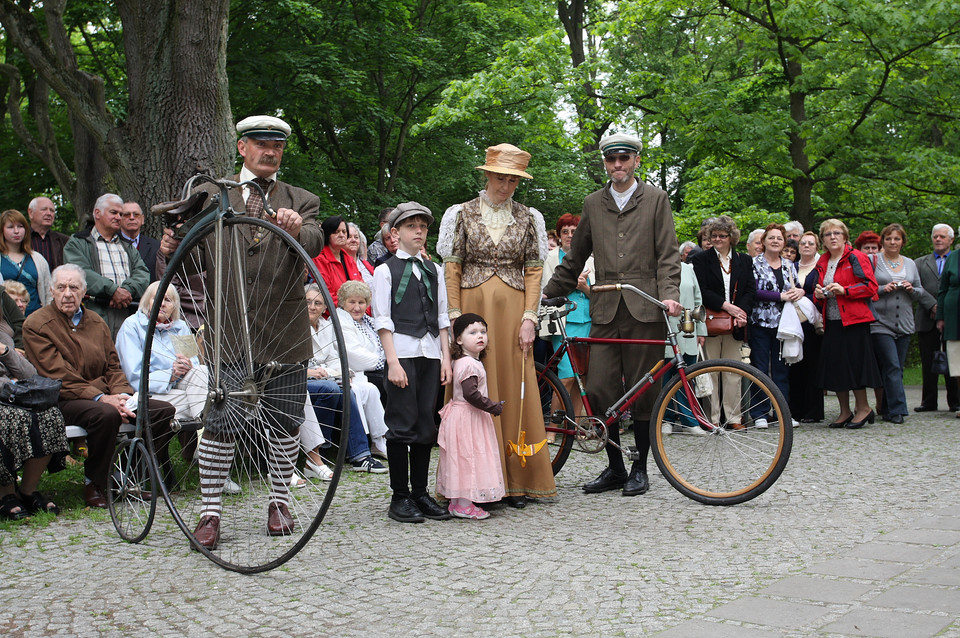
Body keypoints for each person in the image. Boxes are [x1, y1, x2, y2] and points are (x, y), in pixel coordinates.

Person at [159, 114, 323, 549]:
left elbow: (313, 242)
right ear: (242, 148)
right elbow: (182, 247)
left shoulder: (301, 199)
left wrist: (294, 227)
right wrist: (170, 245)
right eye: (261, 144)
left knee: (286, 421)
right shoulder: (213, 193)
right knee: (221, 421)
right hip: (229, 329)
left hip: (284, 331)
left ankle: (279, 501)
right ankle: (210, 512)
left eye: (278, 145)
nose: (271, 151)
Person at [542, 134, 681, 496]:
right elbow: (574, 258)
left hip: (644, 306)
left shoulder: (656, 199)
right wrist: (545, 295)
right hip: (604, 307)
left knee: (643, 392)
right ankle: (616, 467)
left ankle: (640, 468)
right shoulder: (593, 203)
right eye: (611, 160)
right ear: (604, 163)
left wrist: (669, 296)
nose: (617, 165)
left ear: (636, 160)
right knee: (601, 390)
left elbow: (668, 255)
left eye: (624, 159)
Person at [438, 143, 557, 507]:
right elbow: (452, 267)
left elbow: (534, 270)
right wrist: (454, 315)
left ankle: (516, 479)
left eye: (513, 180)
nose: (506, 186)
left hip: (512, 314)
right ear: (487, 175)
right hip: (472, 310)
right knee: (470, 386)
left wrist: (530, 317)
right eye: (500, 178)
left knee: (514, 384)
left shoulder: (529, 216)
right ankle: (469, 483)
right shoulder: (461, 213)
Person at [23, 264, 175, 508]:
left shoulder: (96, 321)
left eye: (74, 287)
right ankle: (95, 482)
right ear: (51, 290)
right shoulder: (37, 324)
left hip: (104, 396)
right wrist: (101, 398)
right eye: (61, 287)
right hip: (63, 399)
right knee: (104, 414)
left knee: (161, 410)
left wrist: (123, 395)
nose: (68, 293)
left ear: (84, 292)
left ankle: (131, 476)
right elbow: (56, 374)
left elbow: (113, 367)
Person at [373, 202, 453, 523]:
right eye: (411, 226)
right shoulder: (384, 270)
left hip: (430, 354)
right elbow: (382, 319)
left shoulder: (436, 270)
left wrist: (446, 358)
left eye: (423, 226)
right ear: (395, 233)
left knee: (425, 426)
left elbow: (443, 316)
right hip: (401, 354)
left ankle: (420, 492)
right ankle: (399, 496)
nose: (419, 231)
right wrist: (392, 361)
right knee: (401, 424)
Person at [304, 284, 386, 474]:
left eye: (317, 303)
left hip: (326, 376)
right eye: (308, 302)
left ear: (325, 308)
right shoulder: (294, 327)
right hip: (302, 378)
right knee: (331, 389)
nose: (312, 307)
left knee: (346, 390)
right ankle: (319, 452)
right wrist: (311, 372)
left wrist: (341, 372)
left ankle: (361, 455)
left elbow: (335, 357)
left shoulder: (325, 327)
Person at [0, 299, 66, 520]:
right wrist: (10, 385)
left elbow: (30, 374)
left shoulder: (3, 332)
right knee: (10, 417)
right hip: (6, 396)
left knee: (50, 414)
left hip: (12, 394)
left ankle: (27, 490)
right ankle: (5, 493)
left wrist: (5, 351)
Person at [436, 313, 505, 520]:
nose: (480, 336)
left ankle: (457, 502)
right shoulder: (470, 364)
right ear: (458, 339)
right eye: (472, 332)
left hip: (460, 415)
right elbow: (471, 394)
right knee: (469, 457)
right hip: (468, 417)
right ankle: (465, 504)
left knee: (460, 457)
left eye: (483, 332)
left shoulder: (461, 362)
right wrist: (492, 406)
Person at [814, 219, 881, 429]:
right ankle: (844, 411)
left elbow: (871, 287)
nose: (832, 237)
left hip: (854, 321)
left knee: (855, 366)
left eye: (837, 233)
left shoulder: (856, 257)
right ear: (823, 240)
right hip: (832, 321)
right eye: (828, 234)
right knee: (836, 367)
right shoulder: (823, 261)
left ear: (845, 236)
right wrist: (819, 295)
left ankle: (864, 408)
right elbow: (821, 293)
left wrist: (846, 290)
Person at [690, 215, 755, 429]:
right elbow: (702, 291)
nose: (718, 239)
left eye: (722, 236)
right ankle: (713, 418)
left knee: (733, 374)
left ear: (731, 237)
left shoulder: (744, 260)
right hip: (711, 322)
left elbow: (749, 290)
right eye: (714, 235)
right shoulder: (700, 259)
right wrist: (727, 307)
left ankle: (734, 417)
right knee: (710, 372)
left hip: (736, 324)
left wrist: (741, 313)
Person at [115, 281, 208, 426]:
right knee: (200, 399)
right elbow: (134, 376)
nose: (162, 303)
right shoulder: (132, 326)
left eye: (168, 300)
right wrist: (170, 375)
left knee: (200, 371)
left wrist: (187, 365)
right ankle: (207, 438)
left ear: (174, 305)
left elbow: (195, 363)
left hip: (180, 389)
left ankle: (204, 437)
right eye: (157, 298)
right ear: (147, 301)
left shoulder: (180, 326)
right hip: (148, 394)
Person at [63, 193, 150, 339]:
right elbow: (79, 273)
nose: (118, 217)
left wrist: (125, 291)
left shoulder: (128, 246)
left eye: (120, 214)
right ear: (97, 213)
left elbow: (143, 273)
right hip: (93, 316)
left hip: (127, 317)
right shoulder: (78, 242)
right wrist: (113, 290)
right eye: (113, 212)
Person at [749, 223, 803, 429]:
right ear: (763, 242)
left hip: (784, 324)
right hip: (760, 323)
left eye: (779, 238)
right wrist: (778, 296)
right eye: (771, 238)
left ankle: (782, 412)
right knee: (760, 368)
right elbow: (752, 291)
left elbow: (797, 287)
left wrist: (800, 292)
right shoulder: (754, 263)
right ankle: (759, 413)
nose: (775, 241)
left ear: (784, 242)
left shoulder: (789, 265)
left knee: (782, 371)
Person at [540, 213, 593, 420]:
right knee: (567, 375)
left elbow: (595, 292)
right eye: (565, 231)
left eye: (574, 231)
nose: (570, 235)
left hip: (587, 319)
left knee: (583, 376)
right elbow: (546, 291)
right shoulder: (550, 259)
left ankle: (577, 424)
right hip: (562, 321)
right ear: (559, 235)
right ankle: (555, 423)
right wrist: (572, 283)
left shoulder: (591, 259)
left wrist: (585, 287)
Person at [870, 223, 922, 424]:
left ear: (903, 241)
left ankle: (887, 407)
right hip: (881, 322)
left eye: (897, 239)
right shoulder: (874, 261)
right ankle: (899, 410)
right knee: (891, 364)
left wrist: (911, 289)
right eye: (889, 238)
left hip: (905, 322)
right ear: (882, 241)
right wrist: (884, 288)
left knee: (896, 367)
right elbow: (868, 289)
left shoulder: (910, 263)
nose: (893, 242)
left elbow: (920, 291)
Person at [335, 280, 388, 456]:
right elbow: (354, 355)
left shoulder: (369, 321)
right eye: (352, 302)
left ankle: (393, 436)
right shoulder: (340, 321)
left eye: (361, 302)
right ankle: (380, 441)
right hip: (357, 372)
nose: (357, 307)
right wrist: (386, 361)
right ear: (342, 302)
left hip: (375, 368)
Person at [915, 224, 958, 413]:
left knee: (952, 359)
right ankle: (928, 401)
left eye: (942, 236)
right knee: (928, 360)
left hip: (952, 317)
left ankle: (955, 400)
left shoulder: (955, 259)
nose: (938, 239)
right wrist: (932, 305)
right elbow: (916, 287)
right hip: (926, 316)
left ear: (951, 240)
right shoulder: (920, 262)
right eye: (935, 236)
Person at [790, 231, 825, 423]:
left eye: (811, 244)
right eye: (803, 243)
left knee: (812, 366)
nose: (806, 246)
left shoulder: (820, 269)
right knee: (795, 366)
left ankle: (813, 411)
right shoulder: (791, 266)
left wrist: (803, 295)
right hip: (793, 323)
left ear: (816, 247)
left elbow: (821, 295)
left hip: (812, 324)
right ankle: (795, 409)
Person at [0, 209, 51, 316]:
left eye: (20, 226)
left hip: (36, 318)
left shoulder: (38, 259)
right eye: (10, 227)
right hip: (6, 320)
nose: (16, 231)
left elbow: (48, 293)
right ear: (2, 231)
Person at [313, 215, 363, 310]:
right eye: (336, 232)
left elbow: (362, 289)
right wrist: (351, 306)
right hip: (333, 315)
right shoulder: (320, 259)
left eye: (344, 232)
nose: (341, 235)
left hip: (356, 311)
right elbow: (325, 295)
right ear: (327, 235)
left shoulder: (349, 259)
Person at [120, 201, 160, 282]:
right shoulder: (112, 244)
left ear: (142, 219)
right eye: (127, 214)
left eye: (136, 215)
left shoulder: (156, 246)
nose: (131, 217)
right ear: (119, 219)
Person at [27, 196, 69, 271]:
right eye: (44, 209)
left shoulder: (64, 240)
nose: (49, 213)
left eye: (52, 210)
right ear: (31, 213)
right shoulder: (20, 238)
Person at [345, 222, 375, 290]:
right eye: (349, 237)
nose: (353, 240)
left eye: (356, 237)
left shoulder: (365, 263)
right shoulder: (340, 265)